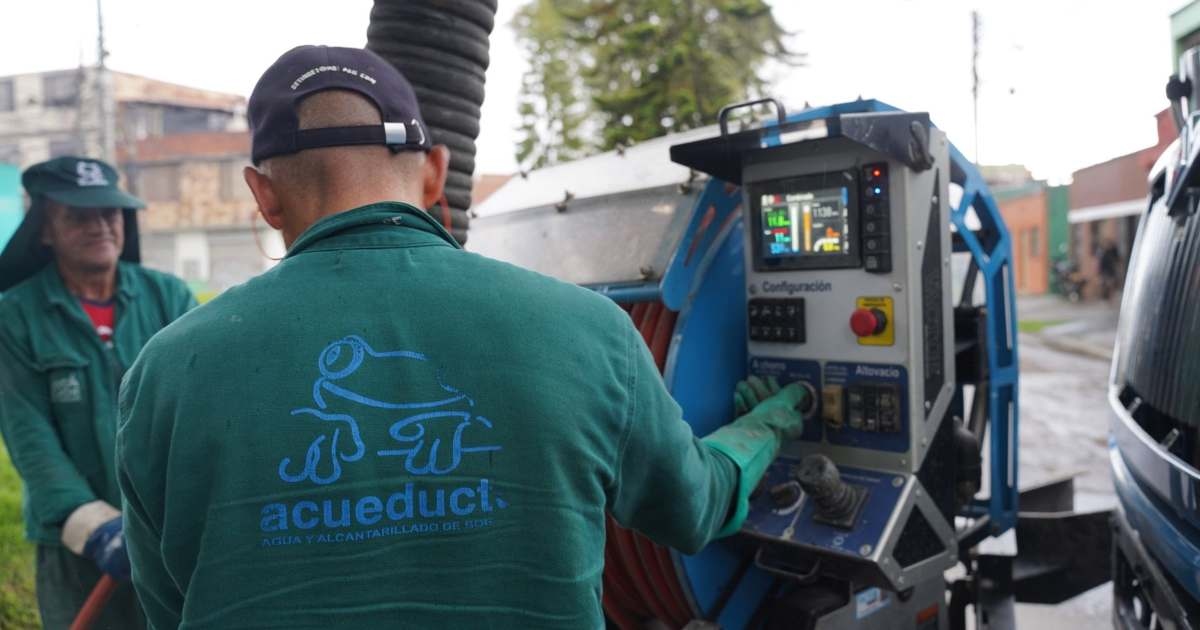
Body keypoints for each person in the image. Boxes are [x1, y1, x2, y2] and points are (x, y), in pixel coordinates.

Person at [116, 45, 807, 629]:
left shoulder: (166, 370)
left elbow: (169, 599)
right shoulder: (591, 331)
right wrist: (763, 430)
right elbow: (694, 510)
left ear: (262, 195)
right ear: (436, 173)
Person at [0, 156, 196, 629]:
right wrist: (95, 526)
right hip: (77, 543)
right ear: (45, 230)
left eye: (110, 213)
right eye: (79, 216)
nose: (101, 225)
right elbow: (29, 436)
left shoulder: (168, 297)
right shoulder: (14, 317)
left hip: (171, 535)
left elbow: (201, 406)